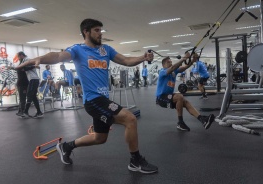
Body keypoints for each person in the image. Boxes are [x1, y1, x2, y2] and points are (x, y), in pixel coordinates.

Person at [15, 18, 158, 174]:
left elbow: (125, 60)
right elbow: (57, 56)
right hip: (93, 100)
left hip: (104, 99)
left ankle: (66, 146)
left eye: (100, 30)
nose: (100, 33)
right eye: (96, 30)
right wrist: (41, 59)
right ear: (86, 32)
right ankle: (135, 161)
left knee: (100, 138)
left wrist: (142, 58)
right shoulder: (77, 49)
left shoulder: (106, 49)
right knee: (130, 118)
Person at [155, 54, 215, 131]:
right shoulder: (162, 72)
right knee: (179, 96)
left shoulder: (174, 72)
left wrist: (192, 61)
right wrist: (184, 58)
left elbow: (185, 67)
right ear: (163, 65)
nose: (170, 63)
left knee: (185, 102)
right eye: (168, 62)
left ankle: (202, 120)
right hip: (161, 98)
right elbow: (173, 67)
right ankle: (180, 123)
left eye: (171, 62)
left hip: (169, 97)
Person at [13, 52, 43, 118]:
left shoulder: (27, 59)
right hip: (33, 79)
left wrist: (19, 68)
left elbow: (25, 68)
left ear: (21, 55)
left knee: (29, 95)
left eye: (18, 57)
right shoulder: (24, 61)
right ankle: (39, 112)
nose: (18, 58)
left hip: (33, 79)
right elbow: (22, 68)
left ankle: (25, 112)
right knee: (33, 96)